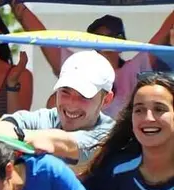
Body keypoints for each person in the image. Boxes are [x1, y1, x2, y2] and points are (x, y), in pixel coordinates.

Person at [9, 4, 174, 118]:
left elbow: (165, 30)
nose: (103, 42)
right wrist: (16, 4)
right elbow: (42, 35)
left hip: (119, 150)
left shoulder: (132, 69)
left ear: (122, 43)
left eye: (110, 37)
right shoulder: (77, 66)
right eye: (97, 38)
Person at [0, 51, 115, 165]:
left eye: (84, 96)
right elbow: (12, 122)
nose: (71, 103)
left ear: (106, 100)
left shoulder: (111, 134)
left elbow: (63, 142)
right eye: (65, 91)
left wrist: (14, 135)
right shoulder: (49, 117)